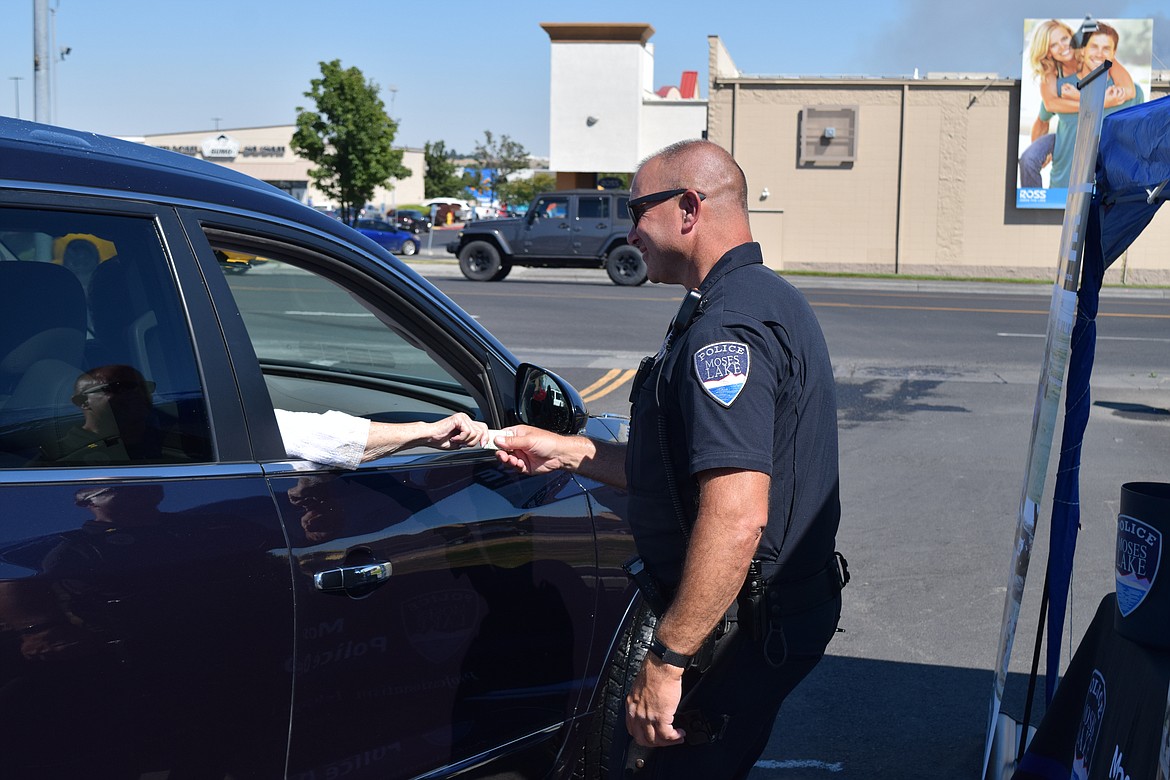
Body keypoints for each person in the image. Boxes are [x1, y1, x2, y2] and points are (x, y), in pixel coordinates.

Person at [493, 139, 845, 779]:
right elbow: (685, 473)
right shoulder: (760, 297)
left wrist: (669, 660)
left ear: (688, 207)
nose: (629, 232)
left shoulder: (726, 331)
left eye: (637, 210)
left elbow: (737, 517)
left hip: (737, 629)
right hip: (769, 614)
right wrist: (570, 450)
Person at [44, 364, 490, 467]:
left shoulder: (189, 428)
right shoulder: (50, 453)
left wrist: (427, 433)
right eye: (114, 390)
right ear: (80, 403)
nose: (134, 396)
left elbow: (302, 434)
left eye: (139, 387)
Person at [1018, 19, 1135, 188]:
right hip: (1064, 134)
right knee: (1029, 159)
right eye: (1053, 45)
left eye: (1064, 39)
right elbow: (1049, 107)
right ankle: (1034, 203)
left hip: (1089, 138)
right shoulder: (1053, 73)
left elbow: (1129, 90)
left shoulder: (1097, 57)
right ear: (1048, 52)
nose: (1063, 47)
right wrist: (1099, 103)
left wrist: (1079, 97)